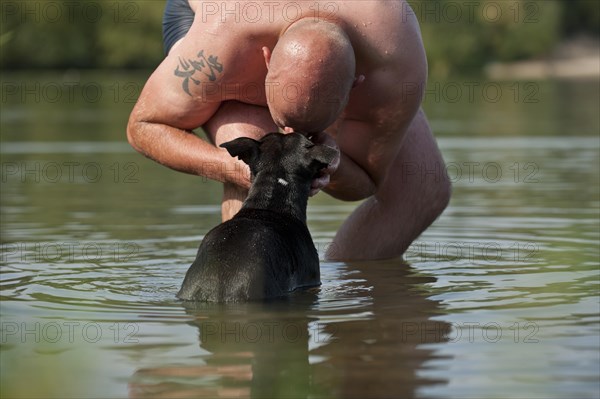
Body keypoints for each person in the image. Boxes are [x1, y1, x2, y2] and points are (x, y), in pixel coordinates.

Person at [127, 0, 451, 260]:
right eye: (285, 123)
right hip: (210, 18)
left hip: (358, 45)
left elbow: (366, 181)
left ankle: (347, 303)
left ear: (355, 86)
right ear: (266, 62)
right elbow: (144, 126)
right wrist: (234, 167)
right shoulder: (221, 40)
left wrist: (332, 166)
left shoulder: (396, 60)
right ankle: (249, 316)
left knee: (421, 188)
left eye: (309, 130)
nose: (291, 134)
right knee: (251, 151)